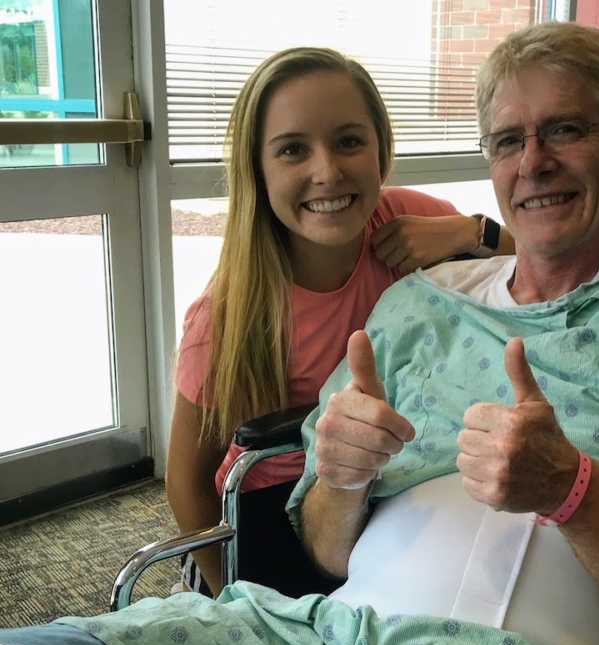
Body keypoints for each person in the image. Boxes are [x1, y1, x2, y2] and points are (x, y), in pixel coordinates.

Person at [0, 23, 599, 645]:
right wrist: (341, 479)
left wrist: (574, 492)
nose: (534, 162)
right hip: (316, 633)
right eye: (508, 141)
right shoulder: (422, 302)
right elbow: (323, 552)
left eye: (565, 129)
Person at [166, 46, 512, 597]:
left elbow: (539, 264)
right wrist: (226, 594)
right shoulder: (228, 315)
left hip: (394, 475)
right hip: (272, 505)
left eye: (349, 141)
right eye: (293, 150)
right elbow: (186, 482)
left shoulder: (406, 218)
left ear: (381, 148)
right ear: (257, 168)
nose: (327, 172)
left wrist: (471, 232)